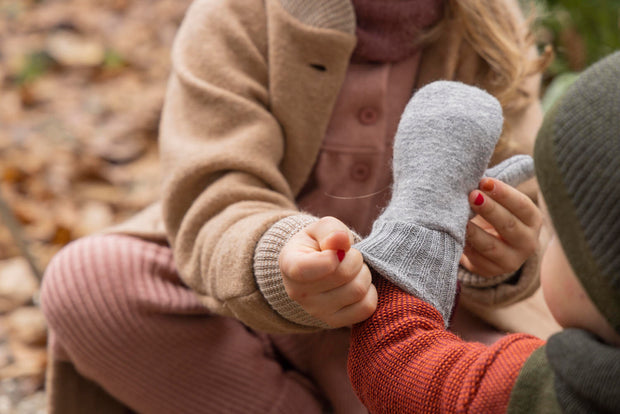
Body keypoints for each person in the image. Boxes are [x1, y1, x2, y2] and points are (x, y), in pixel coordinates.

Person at [40, 0, 551, 412]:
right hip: (246, 309)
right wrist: (280, 259)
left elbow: (526, 203)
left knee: (541, 376)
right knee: (92, 284)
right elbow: (215, 190)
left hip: (428, 323)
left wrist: (504, 261)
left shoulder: (491, 26)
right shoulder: (236, 14)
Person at [348, 51, 620, 413]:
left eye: (556, 234)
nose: (546, 243)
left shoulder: (566, 393)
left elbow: (395, 363)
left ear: (603, 275)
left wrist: (419, 225)